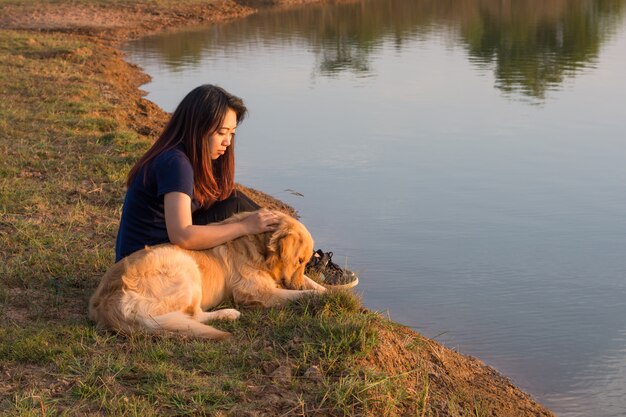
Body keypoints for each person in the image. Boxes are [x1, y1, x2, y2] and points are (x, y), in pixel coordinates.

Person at [115, 84, 357, 288]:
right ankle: (305, 265)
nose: (227, 142)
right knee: (239, 207)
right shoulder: (176, 163)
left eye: (232, 133)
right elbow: (182, 235)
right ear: (197, 127)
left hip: (149, 255)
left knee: (234, 200)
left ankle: (301, 260)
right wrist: (245, 226)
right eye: (221, 132)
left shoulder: (182, 157)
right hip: (144, 264)